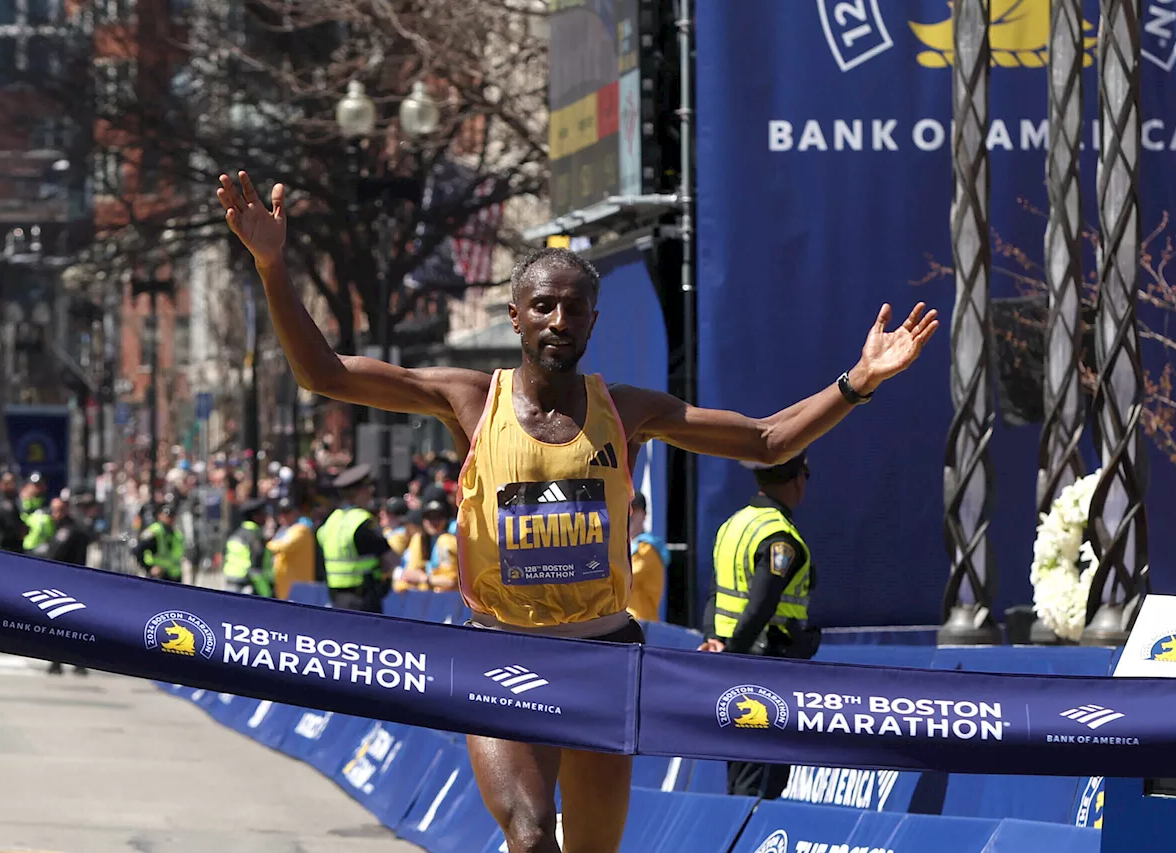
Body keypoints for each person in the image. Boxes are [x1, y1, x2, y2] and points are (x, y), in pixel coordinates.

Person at [216, 170, 937, 853]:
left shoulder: (625, 410)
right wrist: (273, 267)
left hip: (603, 652)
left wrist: (858, 381)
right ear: (516, 316)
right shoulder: (469, 399)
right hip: (500, 651)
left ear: (594, 319)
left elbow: (766, 439)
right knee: (531, 835)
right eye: (543, 306)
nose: (559, 320)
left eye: (574, 307)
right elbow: (325, 373)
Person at [700, 451, 820, 799]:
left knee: (740, 772)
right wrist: (734, 653)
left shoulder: (733, 525)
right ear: (798, 479)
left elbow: (714, 593)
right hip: (768, 668)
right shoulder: (779, 536)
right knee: (762, 781)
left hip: (732, 663)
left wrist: (713, 641)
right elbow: (761, 606)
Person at [316, 464, 396, 612]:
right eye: (368, 488)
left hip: (336, 598)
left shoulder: (330, 521)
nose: (371, 492)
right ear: (360, 491)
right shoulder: (362, 522)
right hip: (363, 600)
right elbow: (390, 560)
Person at [45, 495, 92, 676]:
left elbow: (56, 555)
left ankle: (70, 662)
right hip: (67, 582)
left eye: (57, 510)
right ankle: (60, 662)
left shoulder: (68, 530)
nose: (54, 514)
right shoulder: (64, 528)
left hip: (67, 583)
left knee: (67, 625)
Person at [396, 495, 458, 593]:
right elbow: (410, 573)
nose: (434, 522)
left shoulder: (446, 541)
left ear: (446, 519)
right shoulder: (422, 539)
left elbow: (451, 581)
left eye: (438, 517)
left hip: (450, 601)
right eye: (429, 517)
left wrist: (423, 578)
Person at [266, 495, 320, 599]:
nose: (284, 516)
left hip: (298, 587)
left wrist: (268, 544)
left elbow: (284, 546)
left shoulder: (302, 528)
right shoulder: (283, 530)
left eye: (287, 512)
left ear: (295, 512)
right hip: (284, 586)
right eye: (281, 513)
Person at [626, 493, 668, 623]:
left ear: (644, 514)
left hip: (642, 625)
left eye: (635, 509)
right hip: (628, 623)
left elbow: (624, 581)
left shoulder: (647, 549)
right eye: (627, 509)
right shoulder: (624, 546)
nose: (630, 514)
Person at [221, 499, 272, 596]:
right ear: (255, 517)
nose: (266, 517)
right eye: (264, 514)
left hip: (230, 584)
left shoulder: (236, 534)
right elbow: (256, 571)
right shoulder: (255, 537)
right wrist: (267, 595)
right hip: (247, 587)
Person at [135, 500, 186, 583]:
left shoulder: (177, 535)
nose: (169, 519)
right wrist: (149, 568)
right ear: (160, 516)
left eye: (171, 516)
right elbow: (138, 550)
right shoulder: (154, 532)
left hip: (175, 577)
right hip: (158, 577)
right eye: (167, 516)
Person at [0, 472, 28, 553]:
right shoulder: (4, 504)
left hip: (13, 546)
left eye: (13, 482)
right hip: (7, 548)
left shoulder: (12, 500)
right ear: (0, 484)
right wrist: (23, 529)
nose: (12, 485)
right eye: (7, 483)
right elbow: (12, 526)